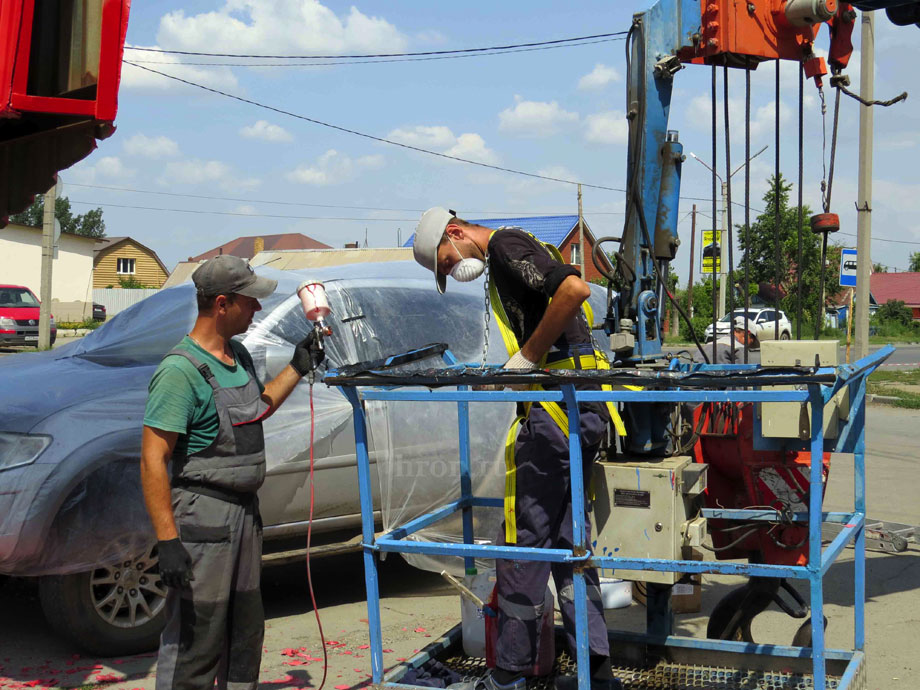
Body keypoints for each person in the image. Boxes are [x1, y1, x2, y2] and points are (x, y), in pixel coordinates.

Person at [412, 207, 621, 690]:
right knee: (572, 545)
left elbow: (574, 289)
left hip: (556, 411)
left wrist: (526, 359)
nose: (451, 272)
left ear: (455, 233)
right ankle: (599, 673)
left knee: (527, 542)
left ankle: (509, 673)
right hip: (579, 408)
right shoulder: (516, 248)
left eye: (445, 262)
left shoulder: (505, 246)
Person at [140, 255, 324, 690]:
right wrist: (167, 541)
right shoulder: (178, 372)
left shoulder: (237, 354)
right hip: (202, 524)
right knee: (196, 639)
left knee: (245, 632)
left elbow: (256, 407)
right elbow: (152, 458)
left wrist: (298, 365)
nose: (256, 309)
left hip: (244, 519)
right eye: (249, 301)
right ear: (221, 304)